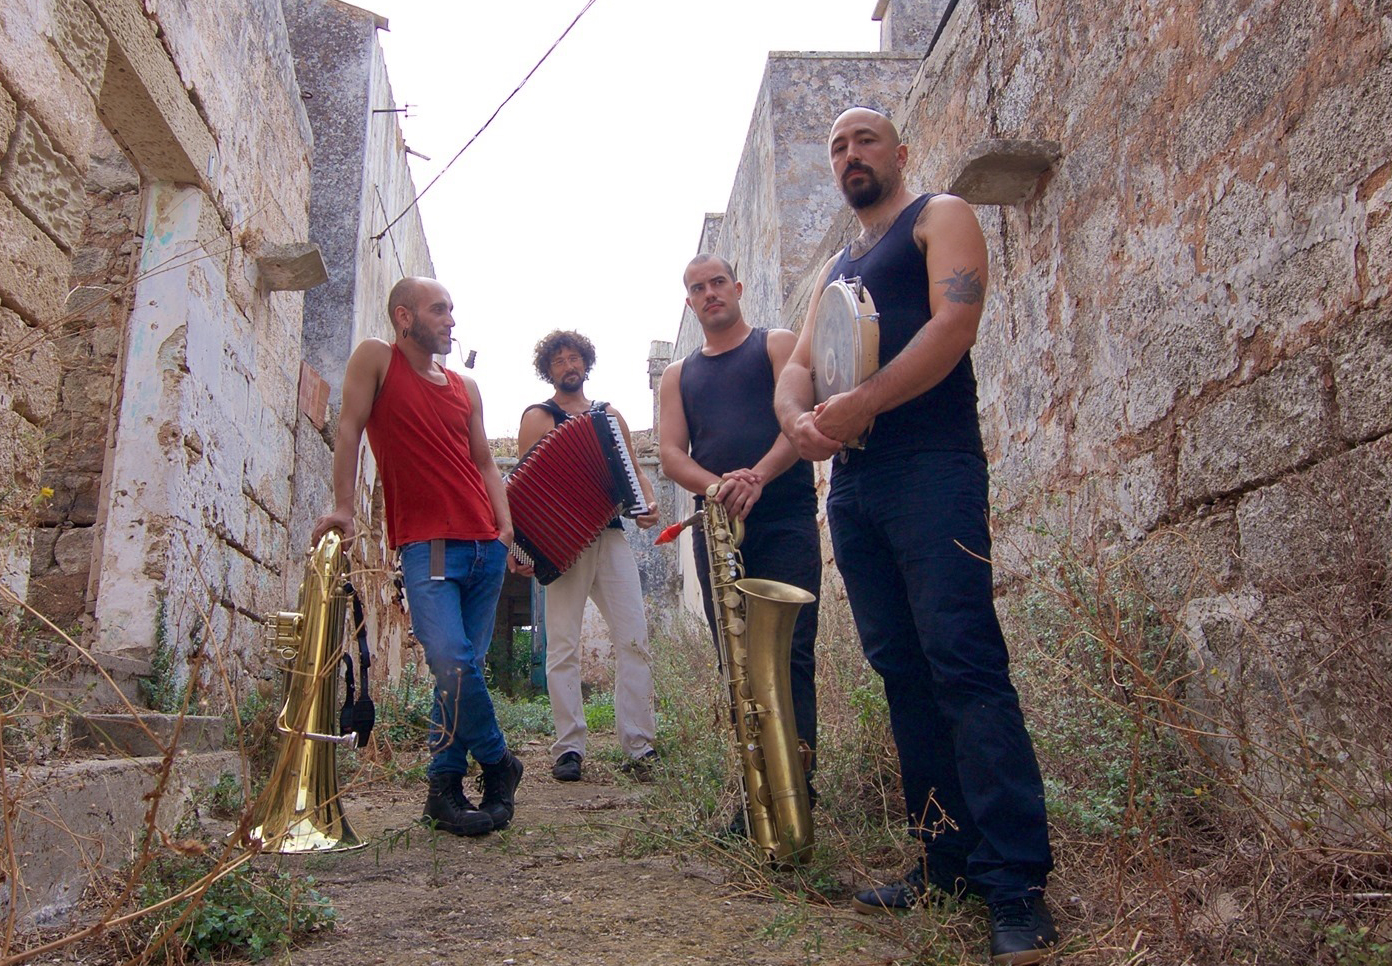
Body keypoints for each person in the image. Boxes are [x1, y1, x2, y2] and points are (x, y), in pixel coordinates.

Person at [773, 108, 1058, 965]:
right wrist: (801, 422)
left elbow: (952, 327)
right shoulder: (838, 265)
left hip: (931, 467)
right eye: (835, 146)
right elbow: (796, 373)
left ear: (899, 153)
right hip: (854, 487)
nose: (850, 155)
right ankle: (945, 862)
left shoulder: (939, 215)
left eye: (865, 141)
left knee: (963, 663)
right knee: (902, 671)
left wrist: (864, 403)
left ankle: (1018, 886)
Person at [312, 276, 523, 838]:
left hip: (485, 548)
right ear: (405, 317)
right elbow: (350, 428)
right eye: (439, 310)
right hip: (428, 547)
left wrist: (505, 529)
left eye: (453, 309)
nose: (452, 320)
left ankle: (444, 788)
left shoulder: (465, 386)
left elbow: (485, 463)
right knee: (451, 661)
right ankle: (501, 763)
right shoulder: (378, 359)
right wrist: (343, 508)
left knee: (463, 672)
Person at [657, 254, 821, 814]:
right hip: (720, 529)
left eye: (718, 283)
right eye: (697, 289)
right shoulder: (679, 375)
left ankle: (800, 789)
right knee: (737, 660)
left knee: (792, 652)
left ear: (738, 287)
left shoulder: (776, 344)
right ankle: (757, 798)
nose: (709, 294)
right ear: (689, 301)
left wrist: (758, 476)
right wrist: (719, 487)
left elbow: (800, 420)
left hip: (786, 517)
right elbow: (672, 455)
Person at [517, 330, 660, 784]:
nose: (567, 365)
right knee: (562, 645)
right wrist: (522, 549)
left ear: (586, 363)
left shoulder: (610, 416)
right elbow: (524, 491)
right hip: (563, 544)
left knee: (633, 637)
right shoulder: (539, 417)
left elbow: (635, 474)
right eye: (558, 360)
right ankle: (568, 749)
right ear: (549, 370)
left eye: (574, 357)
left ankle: (640, 744)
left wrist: (648, 505)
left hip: (612, 536)